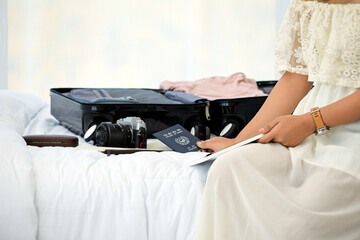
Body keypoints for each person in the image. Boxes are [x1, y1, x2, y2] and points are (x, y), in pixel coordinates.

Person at [194, 0, 360, 239]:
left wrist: (310, 122)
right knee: (229, 167)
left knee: (302, 222)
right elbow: (295, 78)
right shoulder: (306, 3)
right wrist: (240, 142)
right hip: (306, 134)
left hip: (347, 139)